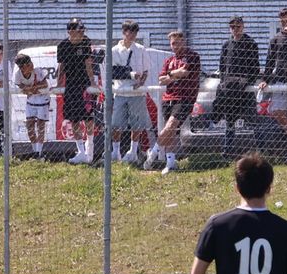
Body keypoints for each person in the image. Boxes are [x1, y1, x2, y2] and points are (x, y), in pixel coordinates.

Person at [104, 20, 153, 166]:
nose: (132, 35)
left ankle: (133, 151)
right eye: (129, 31)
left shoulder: (141, 49)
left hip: (137, 93)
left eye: (134, 32)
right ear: (123, 32)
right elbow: (112, 72)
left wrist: (141, 82)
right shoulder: (114, 50)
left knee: (137, 124)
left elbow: (145, 70)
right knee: (116, 124)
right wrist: (131, 75)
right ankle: (116, 151)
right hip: (120, 91)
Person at [260, 7, 287, 167]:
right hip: (279, 81)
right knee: (276, 111)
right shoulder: (275, 39)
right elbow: (269, 61)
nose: (286, 21)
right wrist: (265, 79)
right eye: (283, 19)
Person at [156, 30, 201, 174]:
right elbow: (161, 79)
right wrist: (174, 75)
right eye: (172, 43)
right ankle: (170, 163)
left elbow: (185, 72)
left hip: (184, 98)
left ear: (183, 41)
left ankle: (153, 152)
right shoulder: (169, 61)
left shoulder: (192, 56)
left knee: (170, 126)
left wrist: (171, 76)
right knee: (172, 133)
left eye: (177, 42)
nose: (175, 46)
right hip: (168, 98)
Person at [218, 16, 263, 158]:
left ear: (243, 26)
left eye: (237, 26)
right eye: (232, 27)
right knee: (229, 122)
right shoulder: (227, 45)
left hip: (245, 90)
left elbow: (255, 67)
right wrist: (224, 83)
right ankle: (227, 152)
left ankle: (261, 152)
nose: (235, 29)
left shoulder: (250, 43)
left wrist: (246, 83)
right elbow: (222, 67)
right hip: (230, 90)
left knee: (253, 121)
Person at [56, 18, 97, 163]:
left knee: (89, 118)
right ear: (71, 31)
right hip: (71, 85)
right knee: (73, 118)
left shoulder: (86, 42)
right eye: (79, 30)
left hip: (84, 84)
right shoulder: (62, 46)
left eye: (83, 29)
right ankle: (80, 151)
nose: (82, 32)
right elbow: (61, 67)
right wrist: (58, 83)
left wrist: (93, 82)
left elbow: (88, 64)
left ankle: (90, 147)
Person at [11, 52, 50, 158]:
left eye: (31, 63)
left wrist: (33, 88)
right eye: (28, 65)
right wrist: (28, 89)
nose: (31, 65)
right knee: (30, 125)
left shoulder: (38, 71)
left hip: (42, 100)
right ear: (22, 68)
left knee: (41, 125)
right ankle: (34, 150)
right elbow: (20, 86)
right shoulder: (17, 75)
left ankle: (39, 152)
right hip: (31, 101)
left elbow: (45, 84)